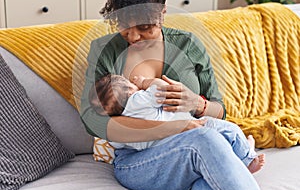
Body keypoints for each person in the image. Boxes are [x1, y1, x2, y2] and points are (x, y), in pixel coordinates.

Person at [80, 0, 267, 190]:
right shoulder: (103, 50)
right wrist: (174, 127)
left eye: (145, 27)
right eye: (124, 25)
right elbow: (94, 121)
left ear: (162, 13)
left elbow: (221, 111)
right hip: (137, 162)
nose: (133, 36)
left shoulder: (189, 46)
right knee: (203, 139)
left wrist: (197, 104)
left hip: (190, 155)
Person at [89, 74, 265, 174]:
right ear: (128, 90)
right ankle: (247, 158)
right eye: (130, 82)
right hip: (191, 130)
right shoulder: (136, 100)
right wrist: (145, 82)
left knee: (218, 145)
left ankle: (236, 161)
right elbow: (161, 89)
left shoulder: (118, 130)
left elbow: (114, 143)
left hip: (165, 151)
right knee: (230, 129)